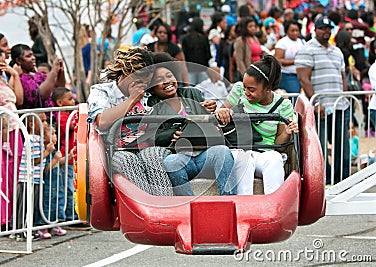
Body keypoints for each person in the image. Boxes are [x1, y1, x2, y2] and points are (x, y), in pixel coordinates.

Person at [87, 47, 173, 196]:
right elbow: (102, 122)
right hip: (118, 151)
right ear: (125, 73)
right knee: (128, 160)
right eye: (139, 81)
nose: (143, 87)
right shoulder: (102, 92)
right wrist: (132, 99)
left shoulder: (148, 93)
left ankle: (165, 207)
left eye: (146, 83)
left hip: (148, 145)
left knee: (153, 156)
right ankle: (147, 208)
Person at [147, 62, 236, 196]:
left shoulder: (193, 94)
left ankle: (230, 202)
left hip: (204, 155)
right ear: (152, 88)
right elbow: (151, 136)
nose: (167, 81)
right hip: (180, 158)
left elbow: (211, 123)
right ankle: (190, 207)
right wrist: (172, 134)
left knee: (222, 152)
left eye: (169, 76)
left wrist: (210, 111)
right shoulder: (152, 105)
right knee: (171, 162)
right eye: (159, 80)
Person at [215, 55, 298, 195]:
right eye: (244, 87)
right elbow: (219, 118)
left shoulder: (283, 106)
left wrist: (287, 132)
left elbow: (280, 147)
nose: (246, 92)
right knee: (244, 159)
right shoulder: (238, 90)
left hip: (266, 152)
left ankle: (275, 207)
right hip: (239, 149)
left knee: (275, 159)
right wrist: (222, 112)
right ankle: (244, 206)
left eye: (251, 89)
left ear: (268, 88)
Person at [295, 16, 350, 184]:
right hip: (320, 107)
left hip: (340, 105)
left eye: (329, 29)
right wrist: (316, 103)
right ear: (315, 30)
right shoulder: (307, 49)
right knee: (320, 150)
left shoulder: (337, 51)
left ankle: (343, 182)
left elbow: (343, 77)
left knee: (343, 148)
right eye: (322, 28)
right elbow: (304, 78)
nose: (326, 31)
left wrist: (346, 97)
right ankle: (323, 183)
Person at [0, 45, 24, 228]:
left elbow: (18, 100)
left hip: (13, 129)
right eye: (1, 59)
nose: (4, 62)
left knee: (13, 174)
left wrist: (15, 76)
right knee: (0, 174)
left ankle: (12, 217)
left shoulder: (2, 79)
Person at [15, 112, 49, 241]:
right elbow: (34, 160)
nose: (45, 124)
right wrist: (47, 152)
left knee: (30, 205)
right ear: (31, 125)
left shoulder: (38, 138)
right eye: (42, 121)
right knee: (25, 205)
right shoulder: (32, 139)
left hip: (35, 177)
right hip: (28, 177)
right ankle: (21, 231)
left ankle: (25, 229)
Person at [51, 87, 78, 222]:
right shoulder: (61, 116)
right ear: (60, 103)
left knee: (75, 186)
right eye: (70, 99)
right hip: (66, 158)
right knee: (68, 188)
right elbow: (71, 126)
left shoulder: (71, 114)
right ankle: (69, 215)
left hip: (75, 157)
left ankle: (75, 214)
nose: (73, 102)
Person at [36, 124, 68, 239]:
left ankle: (54, 224)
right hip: (48, 183)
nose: (56, 136)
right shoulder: (46, 150)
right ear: (44, 138)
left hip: (57, 183)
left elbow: (59, 163)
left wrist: (69, 156)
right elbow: (46, 169)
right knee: (46, 202)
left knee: (57, 201)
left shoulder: (54, 150)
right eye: (53, 133)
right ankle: (43, 226)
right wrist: (54, 159)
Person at [10, 44, 65, 110]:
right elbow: (40, 96)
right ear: (18, 60)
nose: (33, 58)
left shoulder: (39, 75)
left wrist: (60, 71)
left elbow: (58, 89)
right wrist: (53, 71)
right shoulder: (19, 79)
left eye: (32, 55)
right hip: (35, 118)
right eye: (28, 56)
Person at [274, 20, 305, 95]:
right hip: (288, 75)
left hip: (301, 75)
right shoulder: (282, 43)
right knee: (293, 97)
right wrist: (295, 62)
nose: (295, 33)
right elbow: (277, 60)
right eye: (292, 30)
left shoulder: (302, 42)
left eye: (297, 30)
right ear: (287, 31)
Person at [181, 17, 211, 85]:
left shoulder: (185, 39)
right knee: (203, 90)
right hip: (203, 68)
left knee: (191, 92)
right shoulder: (204, 38)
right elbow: (208, 55)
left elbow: (184, 55)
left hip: (190, 69)